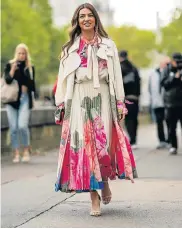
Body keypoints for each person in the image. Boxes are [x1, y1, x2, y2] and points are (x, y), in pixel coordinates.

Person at [54, 3, 137, 217]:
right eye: (82, 16)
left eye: (90, 15)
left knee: (103, 145)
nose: (86, 19)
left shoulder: (108, 45)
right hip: (79, 99)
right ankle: (93, 197)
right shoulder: (69, 48)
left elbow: (116, 76)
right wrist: (61, 104)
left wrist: (120, 103)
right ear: (77, 20)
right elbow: (62, 80)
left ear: (96, 19)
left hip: (102, 99)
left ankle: (105, 183)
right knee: (86, 147)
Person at [3, 43, 36, 163]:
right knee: (13, 127)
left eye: (23, 53)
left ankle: (26, 150)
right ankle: (16, 152)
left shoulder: (30, 67)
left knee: (22, 125)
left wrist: (26, 83)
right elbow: (7, 80)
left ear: (26, 55)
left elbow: (33, 86)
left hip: (24, 99)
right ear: (16, 53)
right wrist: (12, 69)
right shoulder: (9, 65)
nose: (21, 55)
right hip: (12, 100)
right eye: (19, 53)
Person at [119, 50, 141, 150]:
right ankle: (134, 139)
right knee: (134, 119)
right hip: (135, 98)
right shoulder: (134, 68)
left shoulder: (120, 68)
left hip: (126, 98)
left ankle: (132, 140)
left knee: (128, 120)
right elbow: (138, 82)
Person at [161, 52, 182, 155]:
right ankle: (173, 146)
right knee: (171, 127)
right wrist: (174, 77)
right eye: (176, 61)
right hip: (171, 103)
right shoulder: (167, 69)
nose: (177, 63)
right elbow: (164, 84)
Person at [148, 58, 170, 149]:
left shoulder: (170, 73)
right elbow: (150, 88)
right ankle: (162, 141)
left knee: (169, 122)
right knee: (159, 122)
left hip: (168, 102)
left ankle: (170, 141)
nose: (167, 65)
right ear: (161, 64)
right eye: (165, 63)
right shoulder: (153, 74)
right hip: (157, 102)